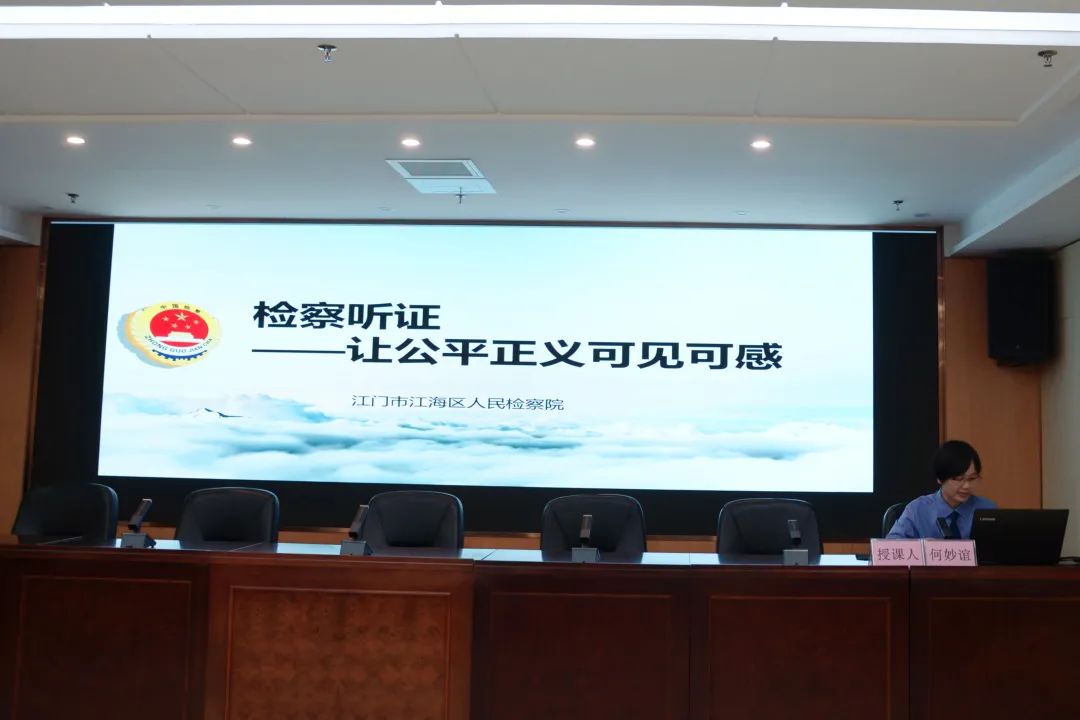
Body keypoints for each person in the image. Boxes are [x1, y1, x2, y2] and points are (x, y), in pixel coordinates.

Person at [886, 440, 996, 539]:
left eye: (972, 478)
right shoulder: (917, 510)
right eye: (958, 479)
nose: (966, 486)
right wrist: (921, 546)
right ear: (940, 478)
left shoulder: (986, 509)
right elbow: (891, 544)